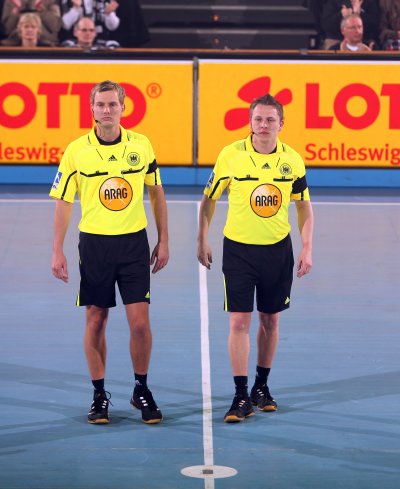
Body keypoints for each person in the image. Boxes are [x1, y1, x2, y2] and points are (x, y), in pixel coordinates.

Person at [50, 80, 169, 425]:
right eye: (100, 104)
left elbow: (156, 192)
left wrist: (163, 239)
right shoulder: (76, 151)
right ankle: (99, 394)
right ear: (92, 108)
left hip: (133, 244)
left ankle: (141, 389)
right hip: (95, 246)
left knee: (140, 323)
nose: (106, 110)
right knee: (96, 319)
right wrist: (57, 250)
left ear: (123, 107)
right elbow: (63, 202)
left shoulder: (141, 145)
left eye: (112, 104)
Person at [197, 94, 314, 423]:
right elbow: (209, 199)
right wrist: (201, 238)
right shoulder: (231, 155)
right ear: (250, 122)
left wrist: (307, 247)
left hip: (277, 251)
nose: (263, 125)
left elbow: (304, 206)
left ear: (281, 124)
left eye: (270, 120)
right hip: (239, 251)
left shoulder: (292, 160)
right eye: (258, 119)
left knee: (271, 321)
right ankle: (240, 395)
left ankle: (261, 387)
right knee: (239, 322)